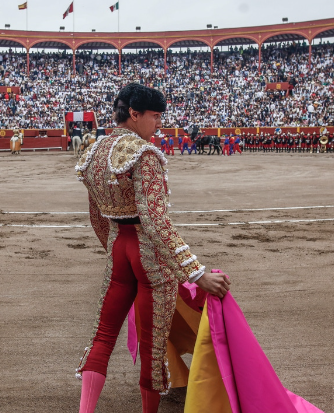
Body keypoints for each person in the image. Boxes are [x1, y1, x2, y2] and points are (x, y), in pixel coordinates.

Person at [74, 83, 230, 413]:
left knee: (102, 337)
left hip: (118, 250)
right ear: (135, 114)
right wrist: (197, 274)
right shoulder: (144, 155)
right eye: (155, 117)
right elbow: (155, 221)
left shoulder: (94, 153)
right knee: (152, 347)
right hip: (149, 257)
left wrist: (114, 250)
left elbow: (96, 217)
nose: (158, 124)